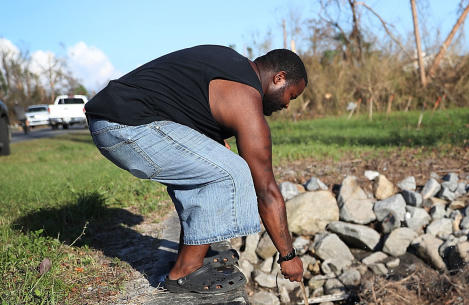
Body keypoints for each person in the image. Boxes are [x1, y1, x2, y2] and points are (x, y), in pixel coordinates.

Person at [85, 45, 306, 292]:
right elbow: (266, 190)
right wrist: (288, 256)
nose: (287, 105)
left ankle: (192, 252)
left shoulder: (230, 67)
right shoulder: (244, 97)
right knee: (230, 171)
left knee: (213, 162)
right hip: (122, 125)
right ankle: (186, 270)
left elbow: (179, 101)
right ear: (279, 78)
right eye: (291, 96)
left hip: (116, 118)